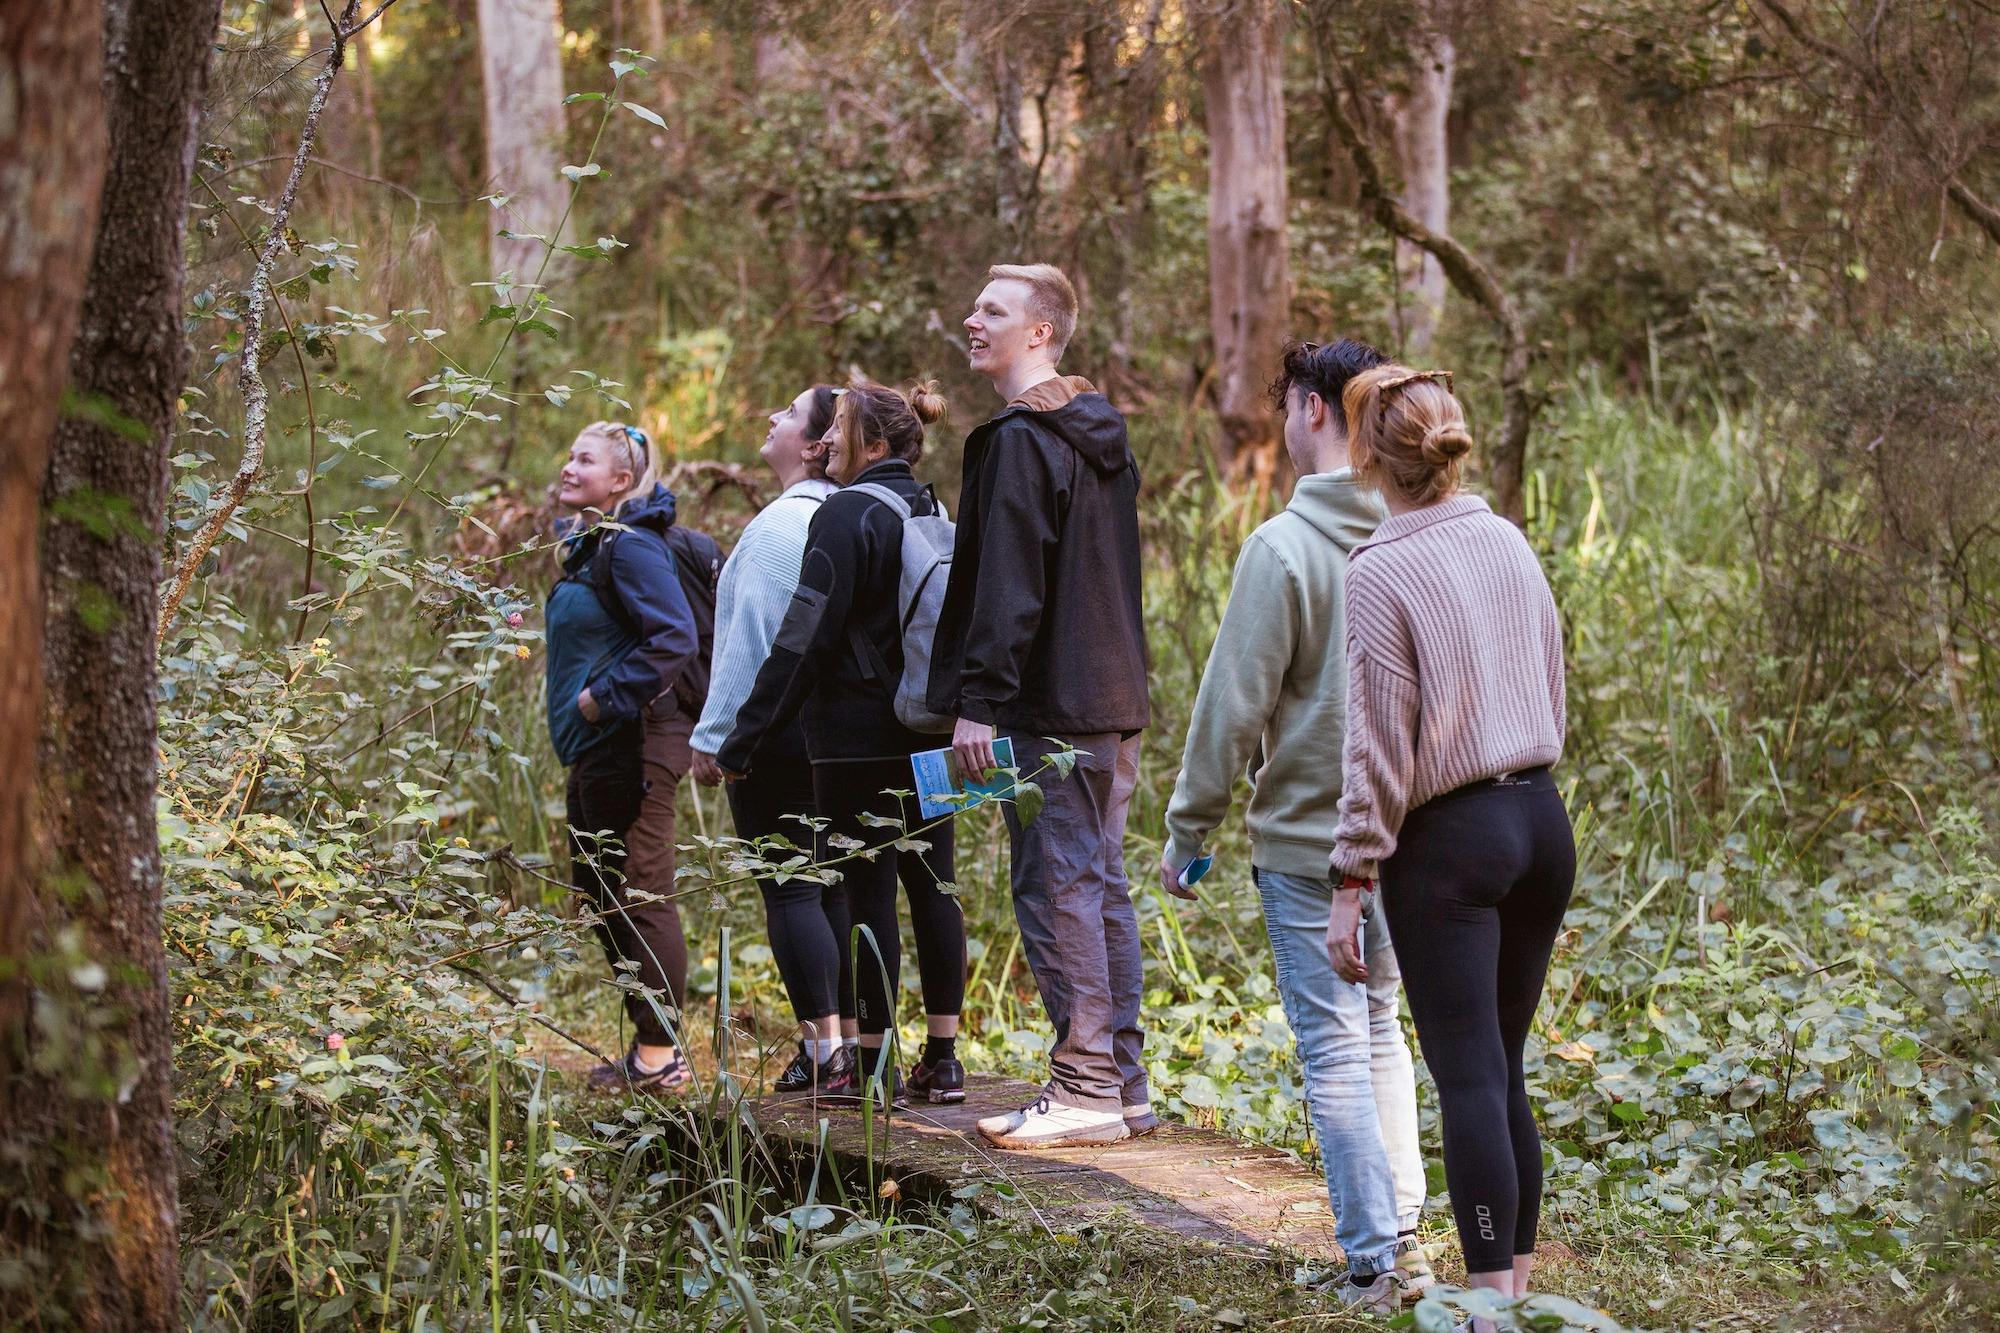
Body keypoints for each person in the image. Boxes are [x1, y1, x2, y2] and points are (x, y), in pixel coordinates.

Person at [1158, 338, 1433, 1311]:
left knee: (1332, 1046)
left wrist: (1187, 830)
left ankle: (1370, 1261)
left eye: (1284, 409)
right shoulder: (1416, 532)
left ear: (1314, 411)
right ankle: (1402, 1235)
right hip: (1410, 837)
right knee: (1381, 1032)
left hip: (1310, 846)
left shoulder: (1282, 549)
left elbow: (1230, 707)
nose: (1279, 426)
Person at [1326, 365, 1572, 1329]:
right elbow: (1552, 671)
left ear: (1366, 456)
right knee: (1501, 1066)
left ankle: (1485, 1309)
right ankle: (1510, 1291)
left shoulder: (1379, 565)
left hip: (1452, 844)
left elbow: (1376, 742)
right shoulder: (1504, 536)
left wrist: (1352, 873)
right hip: (1539, 820)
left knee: (1467, 1074)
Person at [927, 263, 1153, 1149]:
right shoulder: (1099, 431)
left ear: (1041, 333)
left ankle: (1087, 1083)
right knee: (1097, 883)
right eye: (975, 303)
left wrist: (979, 704)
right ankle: (1122, 1086)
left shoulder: (1022, 440)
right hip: (1109, 696)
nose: (971, 319)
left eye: (992, 310)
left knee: (1058, 883)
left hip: (1049, 703)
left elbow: (1009, 586)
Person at [718, 382, 968, 1104]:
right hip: (934, 731)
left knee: (868, 894)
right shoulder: (931, 508)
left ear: (876, 445)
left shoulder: (844, 514)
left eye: (840, 430)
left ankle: (871, 1063)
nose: (825, 441)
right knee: (937, 884)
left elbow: (805, 639)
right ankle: (944, 1058)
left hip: (856, 738)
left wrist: (746, 736)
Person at [689, 387, 855, 1094]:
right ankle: (852, 1041)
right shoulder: (852, 518)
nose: (770, 417)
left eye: (786, 413)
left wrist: (716, 736)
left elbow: (750, 639)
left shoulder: (775, 529)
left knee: (788, 888)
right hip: (842, 735)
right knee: (836, 884)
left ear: (816, 445)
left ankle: (822, 1050)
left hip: (775, 731)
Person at [544, 421, 700, 1093]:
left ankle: (661, 1056)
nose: (569, 465)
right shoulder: (591, 545)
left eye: (585, 458)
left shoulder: (630, 547)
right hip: (603, 744)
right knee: (602, 891)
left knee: (640, 888)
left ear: (621, 480)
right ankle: (650, 1045)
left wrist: (600, 699)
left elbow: (675, 637)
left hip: (637, 737)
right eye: (570, 453)